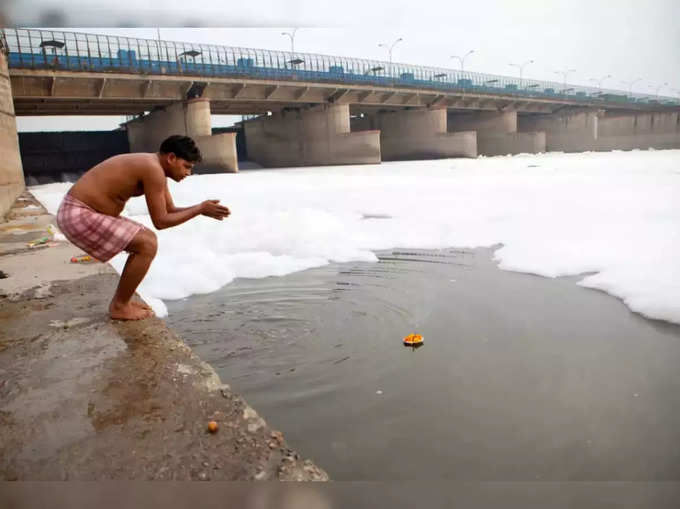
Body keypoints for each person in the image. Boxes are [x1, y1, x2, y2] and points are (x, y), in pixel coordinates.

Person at [56, 135, 231, 320]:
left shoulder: (156, 167)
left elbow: (169, 210)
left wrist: (201, 209)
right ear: (171, 158)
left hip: (82, 212)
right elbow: (161, 221)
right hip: (78, 214)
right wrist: (199, 208)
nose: (188, 173)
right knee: (146, 244)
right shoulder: (153, 169)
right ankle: (119, 306)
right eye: (186, 166)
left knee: (146, 240)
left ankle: (123, 301)